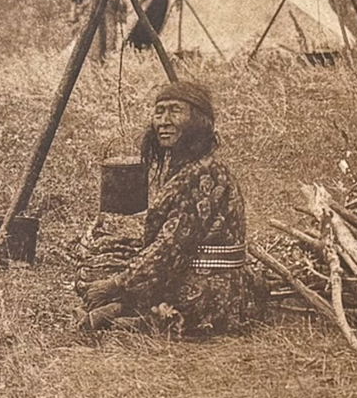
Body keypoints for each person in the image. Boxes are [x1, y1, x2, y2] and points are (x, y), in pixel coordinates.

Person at [78, 81, 261, 335]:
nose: (164, 121)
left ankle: (128, 318)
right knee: (100, 264)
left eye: (175, 111)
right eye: (159, 112)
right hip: (188, 269)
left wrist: (116, 284)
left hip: (213, 284)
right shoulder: (186, 168)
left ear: (198, 121)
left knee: (114, 284)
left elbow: (171, 245)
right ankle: (122, 312)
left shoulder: (204, 173)